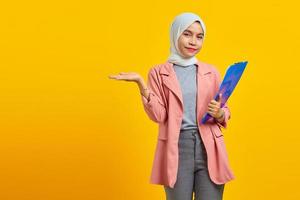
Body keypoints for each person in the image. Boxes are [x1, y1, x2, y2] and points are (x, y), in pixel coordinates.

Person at [108, 12, 235, 200]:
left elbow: (225, 110)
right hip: (177, 146)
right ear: (175, 34)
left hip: (210, 146)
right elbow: (159, 116)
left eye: (199, 36)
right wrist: (142, 85)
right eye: (187, 34)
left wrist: (219, 113)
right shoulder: (158, 73)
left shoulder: (211, 72)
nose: (193, 41)